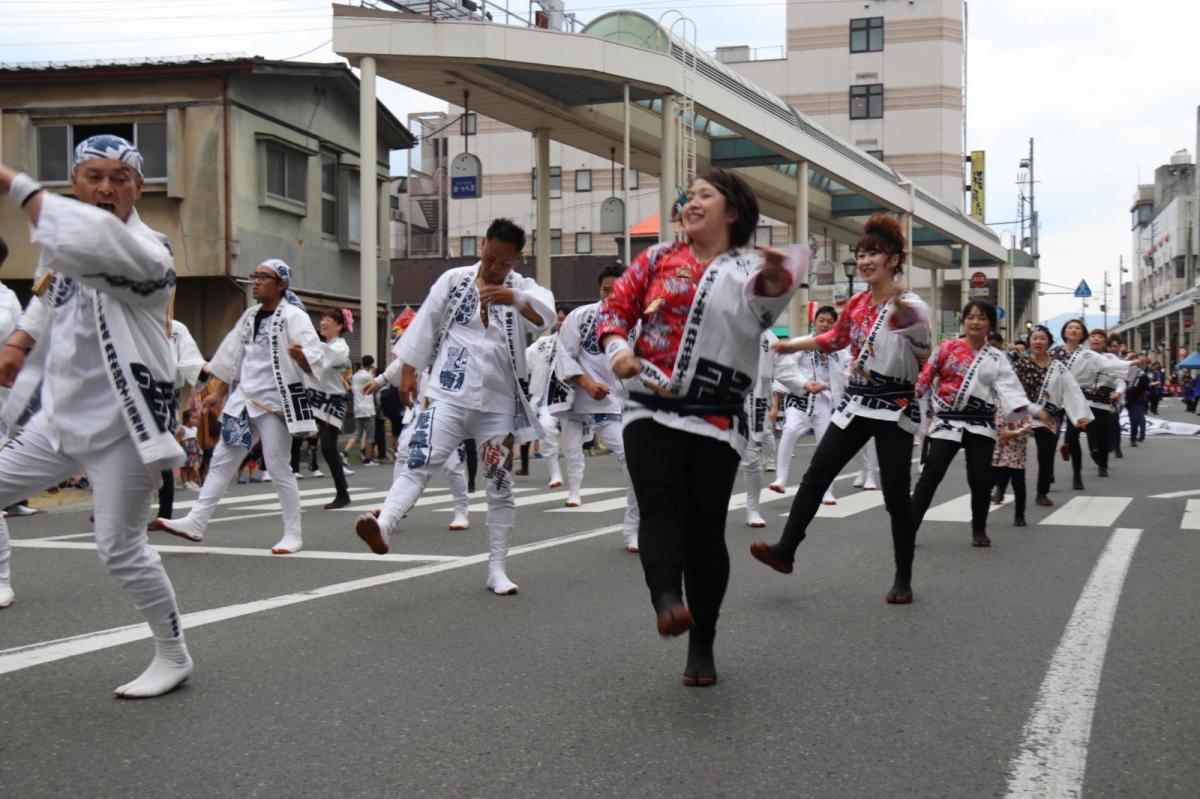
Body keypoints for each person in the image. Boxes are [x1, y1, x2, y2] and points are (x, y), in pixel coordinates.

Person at [0, 138, 193, 696]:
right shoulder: (64, 242)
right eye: (92, 176)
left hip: (125, 428)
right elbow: (47, 293)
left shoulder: (150, 252)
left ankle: (173, 653)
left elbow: (90, 248)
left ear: (138, 187)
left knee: (120, 548)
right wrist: (18, 341)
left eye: (119, 178)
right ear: (74, 183)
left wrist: (16, 185)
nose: (106, 188)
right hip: (59, 419)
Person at [598, 167, 803, 686]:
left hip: (716, 413)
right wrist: (619, 349)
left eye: (704, 196)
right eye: (688, 196)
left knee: (705, 528)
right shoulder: (657, 258)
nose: (691, 203)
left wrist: (779, 278)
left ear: (731, 211)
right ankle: (667, 600)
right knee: (659, 501)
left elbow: (766, 301)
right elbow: (614, 310)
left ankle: (703, 639)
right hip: (649, 400)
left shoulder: (751, 269)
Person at [354, 218, 554, 596]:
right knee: (419, 459)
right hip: (449, 393)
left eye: (505, 263)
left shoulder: (520, 288)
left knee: (499, 483)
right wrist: (409, 371)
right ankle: (384, 525)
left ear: (516, 260)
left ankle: (497, 568)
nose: (496, 268)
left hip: (497, 404)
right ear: (482, 245)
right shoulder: (454, 280)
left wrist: (516, 297)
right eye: (491, 258)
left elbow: (544, 316)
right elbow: (425, 324)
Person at [751, 213, 929, 605]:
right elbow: (836, 337)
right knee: (816, 475)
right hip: (857, 400)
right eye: (862, 254)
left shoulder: (909, 304)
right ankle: (786, 550)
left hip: (895, 404)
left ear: (894, 260)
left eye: (875, 254)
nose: (866, 261)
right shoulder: (860, 302)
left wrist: (913, 328)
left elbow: (923, 349)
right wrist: (791, 345)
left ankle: (903, 576)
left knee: (897, 496)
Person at [152, 259, 323, 553]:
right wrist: (217, 393)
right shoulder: (250, 316)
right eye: (255, 276)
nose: (256, 281)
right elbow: (231, 357)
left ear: (281, 284)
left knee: (279, 468)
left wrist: (302, 358)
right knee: (220, 462)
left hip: (275, 406)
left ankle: (293, 534)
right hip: (244, 402)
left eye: (264, 277)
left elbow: (314, 355)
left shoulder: (294, 317)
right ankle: (196, 521)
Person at [909, 301, 1039, 547]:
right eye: (970, 317)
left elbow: (1010, 390)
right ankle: (910, 527)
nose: (975, 322)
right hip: (947, 421)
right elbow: (926, 375)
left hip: (980, 423)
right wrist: (912, 395)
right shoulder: (948, 347)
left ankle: (979, 528)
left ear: (990, 323)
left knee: (981, 479)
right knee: (931, 475)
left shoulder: (995, 356)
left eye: (981, 318)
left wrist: (1035, 411)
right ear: (964, 321)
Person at [544, 264, 640, 550]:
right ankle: (629, 525)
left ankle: (634, 525)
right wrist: (586, 383)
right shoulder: (582, 316)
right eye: (605, 290)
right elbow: (565, 355)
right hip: (592, 401)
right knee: (627, 456)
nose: (610, 295)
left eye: (617, 290)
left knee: (638, 464)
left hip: (632, 402)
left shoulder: (639, 320)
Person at [769, 305, 878, 499]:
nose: (825, 325)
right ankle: (781, 478)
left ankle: (828, 490)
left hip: (827, 402)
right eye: (821, 321)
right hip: (801, 397)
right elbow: (785, 371)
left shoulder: (840, 348)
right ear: (814, 323)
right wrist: (776, 404)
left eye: (829, 322)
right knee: (790, 430)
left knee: (826, 445)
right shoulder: (804, 343)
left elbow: (849, 366)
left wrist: (851, 372)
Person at [1004, 325, 1091, 508]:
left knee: (1046, 455)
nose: (1038, 342)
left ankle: (1042, 493)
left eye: (1042, 338)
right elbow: (1008, 389)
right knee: (1011, 453)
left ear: (1049, 342)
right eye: (1035, 338)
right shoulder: (1020, 364)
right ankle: (999, 487)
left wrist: (1079, 415)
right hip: (1022, 413)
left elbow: (1071, 390)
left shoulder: (1058, 367)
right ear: (1029, 342)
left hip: (1048, 417)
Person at [1053, 321, 1131, 489]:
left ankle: (1092, 465)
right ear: (1064, 331)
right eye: (1070, 327)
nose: (1073, 330)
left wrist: (1130, 367)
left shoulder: (1091, 355)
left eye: (1078, 328)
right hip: (1061, 399)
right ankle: (1061, 472)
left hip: (1092, 400)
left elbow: (1113, 371)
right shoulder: (1055, 353)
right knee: (1061, 437)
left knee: (1098, 433)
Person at [0, 234, 39, 520]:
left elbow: (22, 334)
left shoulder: (7, 298)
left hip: (3, 381)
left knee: (7, 438)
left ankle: (11, 499)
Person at [155, 313, 206, 520]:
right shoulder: (132, 322)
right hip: (133, 390)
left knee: (162, 452)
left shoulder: (176, 328)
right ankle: (114, 508)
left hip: (165, 393)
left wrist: (202, 370)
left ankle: (164, 511)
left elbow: (190, 359)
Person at [306, 308, 355, 508]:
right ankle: (342, 492)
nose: (323, 322)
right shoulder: (325, 345)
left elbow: (321, 359)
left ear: (339, 326)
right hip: (316, 398)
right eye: (322, 318)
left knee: (327, 447)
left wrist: (306, 345)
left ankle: (343, 494)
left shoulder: (340, 347)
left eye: (328, 319)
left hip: (332, 401)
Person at [520, 306, 567, 486]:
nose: (560, 322)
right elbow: (524, 359)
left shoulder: (578, 344)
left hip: (569, 399)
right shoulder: (543, 343)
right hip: (542, 399)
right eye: (559, 318)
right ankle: (555, 473)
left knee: (573, 444)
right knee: (541, 427)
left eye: (564, 319)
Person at [742, 330, 779, 527]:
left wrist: (802, 383)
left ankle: (752, 509)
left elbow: (780, 370)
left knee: (752, 457)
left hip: (755, 400)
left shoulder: (769, 336)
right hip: (721, 396)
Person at [345, 356, 378, 465]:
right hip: (368, 409)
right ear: (370, 364)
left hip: (358, 408)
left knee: (357, 433)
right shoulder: (369, 376)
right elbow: (376, 385)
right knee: (370, 435)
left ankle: (344, 453)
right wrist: (373, 373)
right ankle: (367, 459)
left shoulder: (354, 376)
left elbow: (348, 381)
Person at [1124, 352, 1150, 447]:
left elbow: (1146, 385)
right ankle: (1113, 440)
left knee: (1135, 419)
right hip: (1124, 396)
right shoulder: (1125, 370)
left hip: (1137, 398)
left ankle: (1133, 438)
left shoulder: (1141, 373)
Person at [178, 410, 203, 489]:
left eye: (197, 418)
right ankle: (185, 482)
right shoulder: (182, 429)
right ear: (186, 419)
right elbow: (178, 440)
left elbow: (196, 439)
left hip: (194, 451)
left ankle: (191, 480)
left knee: (192, 467)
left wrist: (199, 448)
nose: (196, 420)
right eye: (194, 418)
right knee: (184, 467)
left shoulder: (195, 429)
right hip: (185, 452)